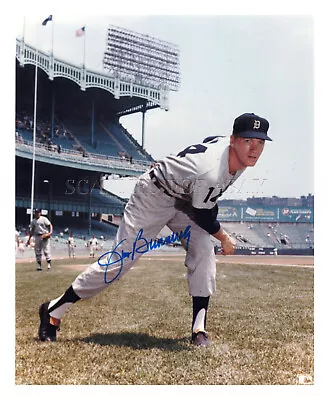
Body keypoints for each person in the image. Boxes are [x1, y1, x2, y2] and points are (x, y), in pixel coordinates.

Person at [37, 112, 272, 344]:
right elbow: (203, 215)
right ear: (233, 140)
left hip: (185, 197)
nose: (254, 148)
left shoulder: (235, 155)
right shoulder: (210, 171)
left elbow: (210, 143)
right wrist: (224, 237)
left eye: (260, 142)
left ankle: (199, 329)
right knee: (120, 261)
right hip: (153, 195)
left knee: (203, 251)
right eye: (247, 141)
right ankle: (53, 310)